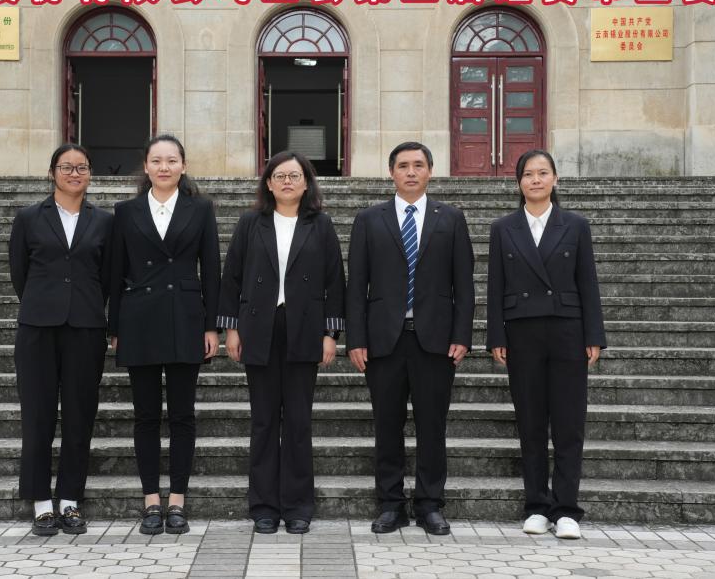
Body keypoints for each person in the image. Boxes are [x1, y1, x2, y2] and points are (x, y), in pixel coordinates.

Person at [345, 141, 474, 536]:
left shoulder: (451, 218)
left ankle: (430, 505)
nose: (411, 172)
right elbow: (356, 286)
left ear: (430, 171)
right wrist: (355, 339)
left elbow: (464, 284)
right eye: (403, 166)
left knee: (432, 427)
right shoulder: (370, 220)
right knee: (387, 426)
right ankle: (390, 505)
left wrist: (462, 334)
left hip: (435, 341)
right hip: (384, 340)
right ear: (391, 172)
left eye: (419, 165)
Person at [218, 151, 345, 535]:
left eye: (294, 176)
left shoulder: (320, 224)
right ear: (269, 183)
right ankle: (264, 507)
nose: (287, 182)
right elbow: (232, 276)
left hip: (304, 328)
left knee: (299, 422)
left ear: (307, 183)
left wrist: (330, 333)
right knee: (263, 420)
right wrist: (231, 328)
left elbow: (335, 281)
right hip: (259, 327)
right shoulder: (250, 223)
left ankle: (298, 506)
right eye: (279, 176)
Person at [486, 149, 605, 540]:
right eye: (528, 174)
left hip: (568, 330)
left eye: (542, 173)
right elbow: (495, 286)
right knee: (531, 422)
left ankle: (566, 509)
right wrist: (496, 335)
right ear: (518, 182)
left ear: (555, 179)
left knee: (569, 423)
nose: (535, 180)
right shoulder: (503, 228)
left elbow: (588, 282)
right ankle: (537, 505)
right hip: (522, 332)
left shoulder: (575, 225)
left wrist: (594, 335)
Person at [109, 134, 220, 535]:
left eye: (171, 160)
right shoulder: (126, 211)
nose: (164, 167)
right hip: (138, 319)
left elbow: (212, 269)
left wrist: (212, 325)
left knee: (182, 415)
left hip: (186, 318)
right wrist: (114, 326)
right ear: (146, 166)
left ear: (183, 166)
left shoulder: (201, 209)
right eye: (156, 160)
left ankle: (177, 502)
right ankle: (151, 502)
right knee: (145, 416)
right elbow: (115, 271)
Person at [8, 143, 112, 536]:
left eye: (81, 167)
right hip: (38, 328)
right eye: (66, 167)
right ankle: (40, 503)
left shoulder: (104, 221)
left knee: (79, 416)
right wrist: (44, 303)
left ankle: (69, 500)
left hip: (85, 328)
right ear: (52, 172)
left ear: (90, 174)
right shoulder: (29, 218)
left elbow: (108, 275)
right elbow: (20, 272)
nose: (74, 174)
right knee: (37, 416)